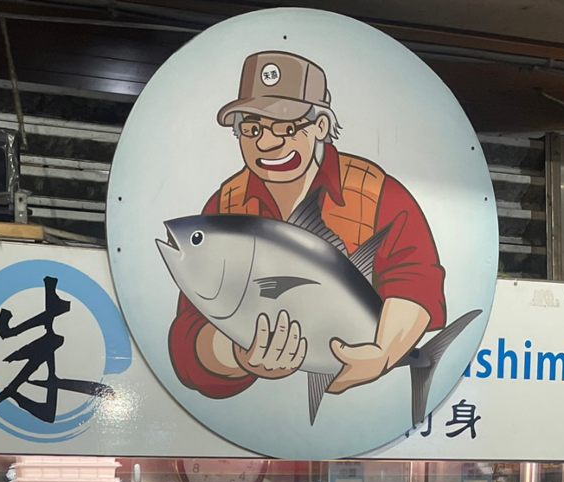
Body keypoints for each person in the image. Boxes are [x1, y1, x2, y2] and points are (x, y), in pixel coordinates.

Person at [169, 50, 446, 399]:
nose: (266, 143)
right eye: (251, 129)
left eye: (286, 127)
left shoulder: (378, 193)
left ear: (321, 126)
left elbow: (415, 280)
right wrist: (237, 355)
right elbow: (188, 336)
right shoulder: (224, 207)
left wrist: (384, 353)